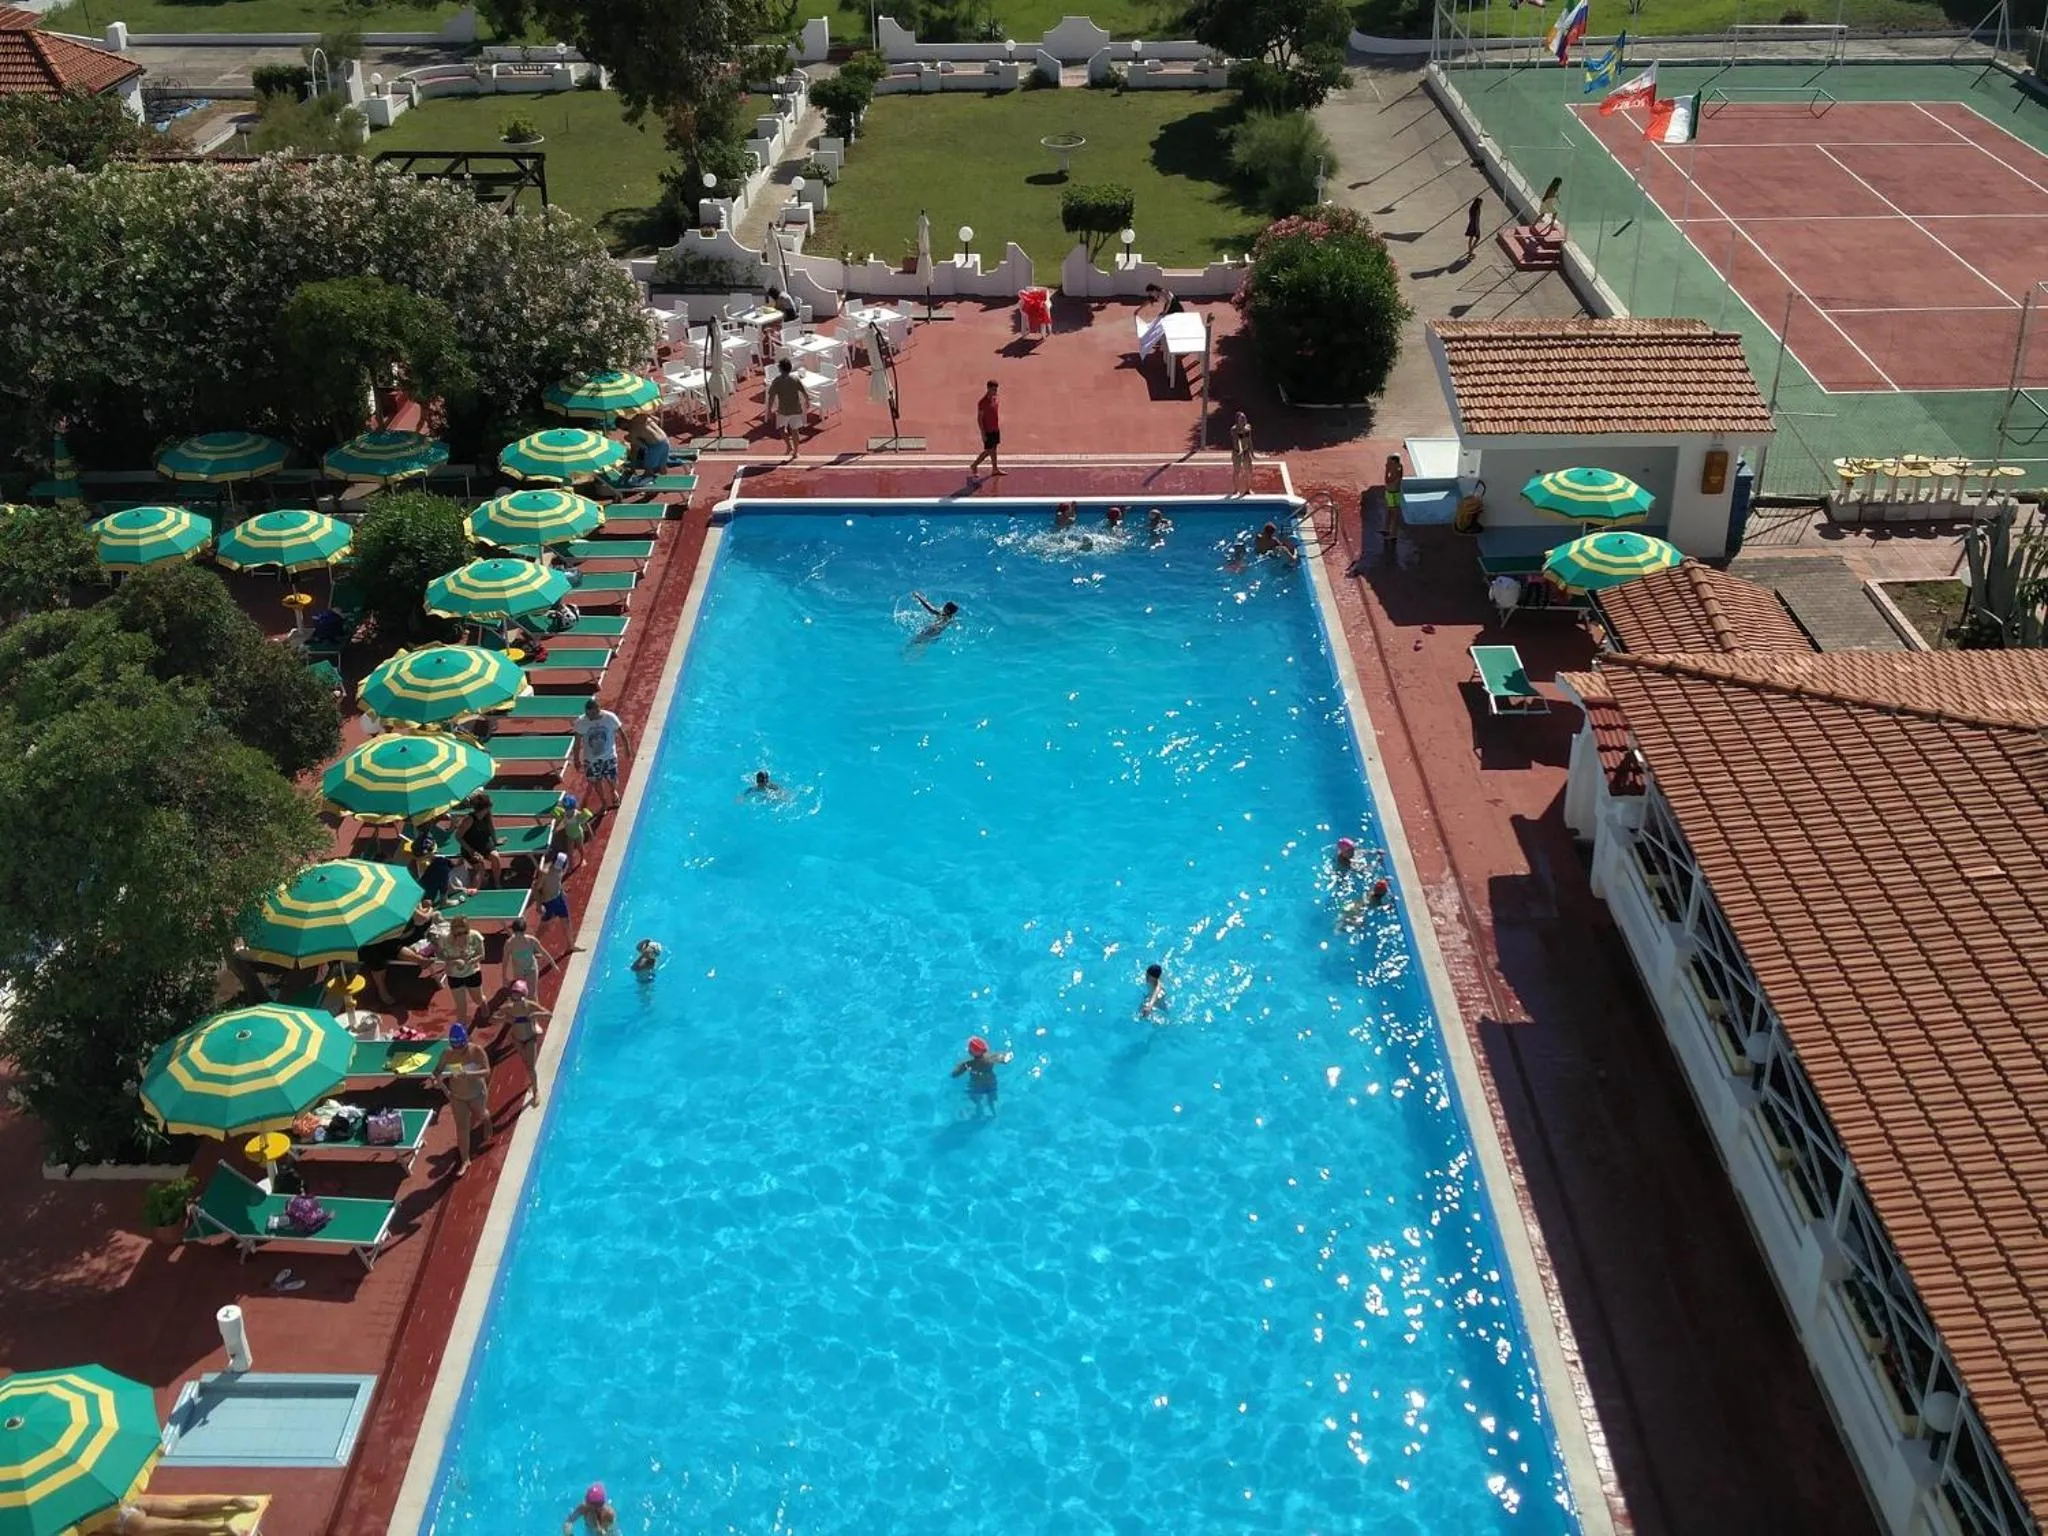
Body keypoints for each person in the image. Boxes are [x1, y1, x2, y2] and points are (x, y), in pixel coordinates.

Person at [439, 1022, 491, 1176]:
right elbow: (437, 1072)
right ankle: (465, 1160)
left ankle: (487, 1122)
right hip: (458, 1097)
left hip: (476, 1093)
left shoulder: (476, 1051)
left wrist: (468, 1074)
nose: (458, 1051)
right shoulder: (447, 1054)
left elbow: (487, 1071)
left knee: (482, 1114)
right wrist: (444, 1089)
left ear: (466, 1041)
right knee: (462, 1129)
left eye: (461, 1047)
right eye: (455, 1047)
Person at [84, 1494, 264, 1536]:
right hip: (132, 1504)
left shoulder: (71, 1517)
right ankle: (231, 1501)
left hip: (127, 1523)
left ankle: (222, 1527)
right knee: (185, 1507)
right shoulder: (90, 1487)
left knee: (178, 1525)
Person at [571, 699, 632, 812]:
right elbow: (577, 742)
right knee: (595, 781)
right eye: (587, 714)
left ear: (598, 710)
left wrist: (627, 748)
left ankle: (613, 791)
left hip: (609, 757)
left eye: (592, 714)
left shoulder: (610, 718)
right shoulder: (581, 721)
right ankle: (603, 801)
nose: (589, 716)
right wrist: (576, 759)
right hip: (591, 760)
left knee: (612, 778)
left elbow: (621, 733)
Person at [501, 980, 552, 1108]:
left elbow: (549, 1015)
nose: (515, 995)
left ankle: (536, 1092)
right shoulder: (508, 1007)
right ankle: (532, 1082)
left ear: (523, 993)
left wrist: (535, 1014)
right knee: (526, 1063)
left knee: (530, 1067)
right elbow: (492, 1019)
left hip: (530, 1039)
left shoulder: (529, 1005)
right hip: (517, 1039)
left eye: (517, 993)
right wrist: (506, 1018)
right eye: (514, 993)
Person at [435, 915, 487, 1029]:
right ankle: (462, 1032)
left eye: (464, 932)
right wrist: (453, 961)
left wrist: (471, 960)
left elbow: (482, 955)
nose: (462, 936)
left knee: (477, 999)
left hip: (472, 973)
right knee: (461, 1006)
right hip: (454, 976)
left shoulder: (475, 936)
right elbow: (439, 954)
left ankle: (483, 1004)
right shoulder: (444, 939)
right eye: (458, 933)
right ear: (452, 931)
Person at [950, 1035, 1012, 1115]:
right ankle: (994, 1112)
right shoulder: (992, 1057)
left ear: (970, 1052)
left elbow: (954, 1074)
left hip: (976, 1085)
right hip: (991, 1082)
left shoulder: (968, 1063)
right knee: (992, 1099)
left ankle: (979, 1111)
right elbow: (1006, 1059)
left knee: (976, 1100)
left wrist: (959, 1066)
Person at [766, 357, 812, 462]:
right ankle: (795, 451)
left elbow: (771, 397)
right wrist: (807, 400)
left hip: (783, 410)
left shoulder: (777, 381)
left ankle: (789, 445)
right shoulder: (795, 379)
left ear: (781, 369)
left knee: (781, 429)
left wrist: (769, 410)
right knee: (795, 431)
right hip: (796, 408)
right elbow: (804, 390)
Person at [457, 791, 501, 888]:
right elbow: (458, 836)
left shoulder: (487, 814)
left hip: (484, 844)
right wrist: (470, 851)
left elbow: (491, 827)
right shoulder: (469, 819)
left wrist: (495, 841)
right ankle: (479, 883)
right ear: (485, 807)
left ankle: (497, 882)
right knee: (481, 868)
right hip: (470, 847)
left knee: (496, 857)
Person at [533, 847, 573, 951]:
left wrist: (562, 891)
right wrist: (538, 905)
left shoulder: (558, 870)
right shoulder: (545, 873)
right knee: (544, 927)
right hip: (549, 902)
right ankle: (533, 947)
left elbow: (558, 881)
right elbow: (536, 889)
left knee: (566, 921)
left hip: (559, 898)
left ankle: (570, 946)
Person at [967, 380, 1003, 481]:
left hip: (995, 428)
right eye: (994, 389)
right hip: (988, 430)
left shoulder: (995, 399)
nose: (995, 391)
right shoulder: (982, 402)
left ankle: (995, 469)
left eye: (996, 389)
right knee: (988, 451)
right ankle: (974, 465)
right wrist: (983, 433)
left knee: (994, 449)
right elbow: (979, 419)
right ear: (988, 388)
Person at [1229, 411, 1254, 496]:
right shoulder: (1234, 430)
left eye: (1244, 418)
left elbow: (1250, 440)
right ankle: (1236, 490)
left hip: (1246, 452)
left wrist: (1252, 452)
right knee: (1237, 471)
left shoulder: (1248, 427)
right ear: (1237, 421)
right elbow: (1238, 441)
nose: (1244, 420)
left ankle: (1248, 489)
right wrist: (1240, 451)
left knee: (1248, 471)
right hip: (1237, 453)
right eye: (1242, 419)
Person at [1464, 194, 1485, 259]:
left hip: (1471, 225)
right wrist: (1477, 228)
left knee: (1471, 238)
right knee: (1477, 238)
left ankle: (1470, 250)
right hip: (1475, 226)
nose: (1481, 204)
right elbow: (1476, 219)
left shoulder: (1472, 208)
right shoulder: (1476, 210)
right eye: (1481, 203)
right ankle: (1471, 251)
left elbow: (1471, 217)